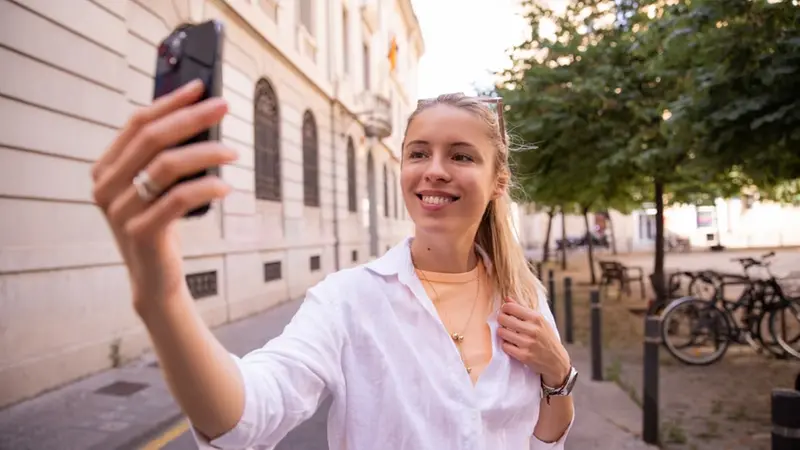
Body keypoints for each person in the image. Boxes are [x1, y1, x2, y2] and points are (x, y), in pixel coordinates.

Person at [91, 80, 577, 449]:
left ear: (498, 181)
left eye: (462, 155)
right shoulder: (348, 300)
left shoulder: (524, 295)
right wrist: (162, 298)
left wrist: (558, 372)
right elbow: (248, 413)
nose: (434, 169)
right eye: (418, 153)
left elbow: (545, 438)